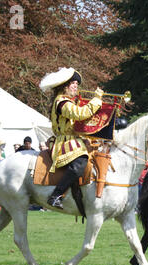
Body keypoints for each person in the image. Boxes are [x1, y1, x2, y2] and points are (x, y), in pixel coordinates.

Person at [39, 67, 103, 209]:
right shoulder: (62, 102)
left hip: (74, 139)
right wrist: (97, 99)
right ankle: (55, 195)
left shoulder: (68, 101)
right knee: (80, 162)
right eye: (73, 83)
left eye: (76, 83)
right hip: (65, 142)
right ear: (64, 86)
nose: (76, 86)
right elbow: (81, 114)